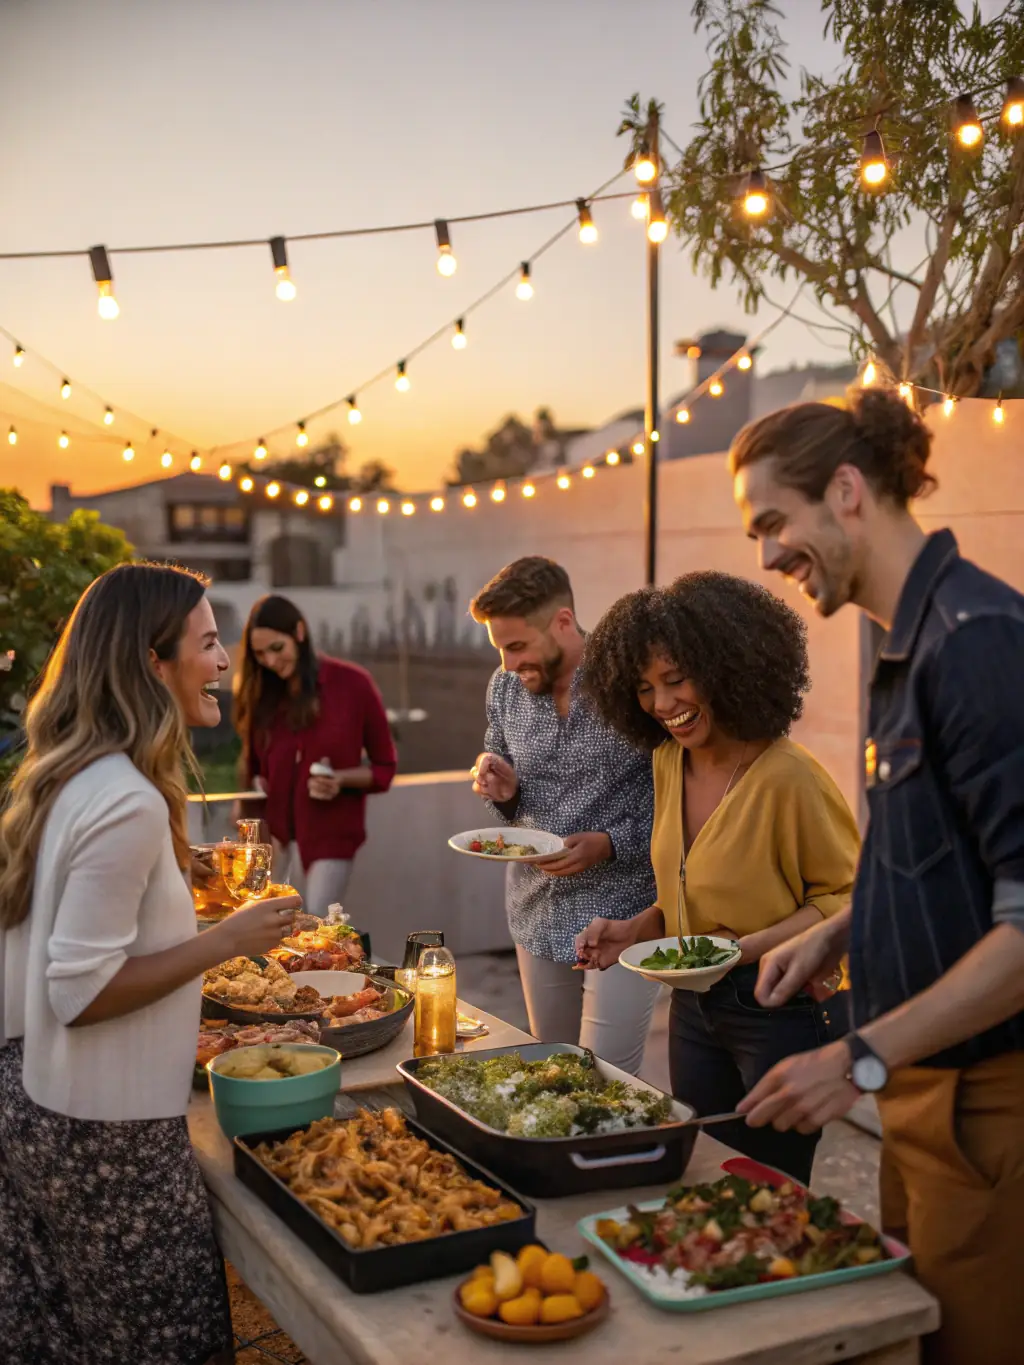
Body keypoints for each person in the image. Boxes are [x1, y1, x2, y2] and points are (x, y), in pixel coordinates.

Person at [730, 385, 1024, 1365]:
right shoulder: (904, 639)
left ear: (846, 490)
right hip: (917, 1097)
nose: (765, 556)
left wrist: (851, 1059)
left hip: (986, 1104)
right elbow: (943, 863)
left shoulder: (976, 642)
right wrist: (840, 930)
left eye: (772, 521)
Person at [0, 562, 302, 1365]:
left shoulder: (77, 773)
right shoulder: (127, 799)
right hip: (109, 1140)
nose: (224, 661)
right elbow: (79, 989)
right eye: (207, 643)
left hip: (46, 1112)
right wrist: (228, 939)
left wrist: (178, 867)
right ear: (151, 662)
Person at [574, 572, 859, 1183]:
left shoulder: (789, 777)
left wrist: (745, 949)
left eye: (676, 680)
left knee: (773, 1190)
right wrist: (636, 927)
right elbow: (687, 887)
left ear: (727, 666)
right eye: (644, 688)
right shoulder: (667, 760)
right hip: (694, 1007)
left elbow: (846, 900)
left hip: (778, 1005)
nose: (662, 704)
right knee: (705, 1173)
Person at [469, 556, 659, 1075]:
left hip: (624, 906)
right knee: (551, 1068)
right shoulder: (505, 688)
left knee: (609, 1075)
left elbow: (679, 796)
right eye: (500, 649)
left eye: (517, 646)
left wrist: (611, 842)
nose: (508, 663)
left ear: (562, 622)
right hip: (537, 909)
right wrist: (500, 787)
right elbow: (497, 762)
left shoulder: (633, 684)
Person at [234, 594, 396, 915]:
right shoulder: (262, 695)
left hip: (330, 836)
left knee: (317, 926)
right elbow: (252, 772)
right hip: (274, 840)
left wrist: (339, 779)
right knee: (271, 934)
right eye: (259, 654)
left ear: (299, 632)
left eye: (276, 648)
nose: (269, 660)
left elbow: (384, 768)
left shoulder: (353, 685)